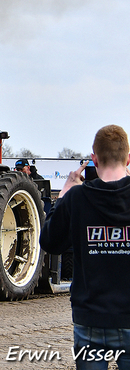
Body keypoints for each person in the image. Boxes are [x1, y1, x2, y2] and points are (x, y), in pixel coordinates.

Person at [40, 125, 130, 370]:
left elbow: (49, 242)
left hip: (90, 318)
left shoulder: (76, 198)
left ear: (94, 159)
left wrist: (66, 192)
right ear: (128, 157)